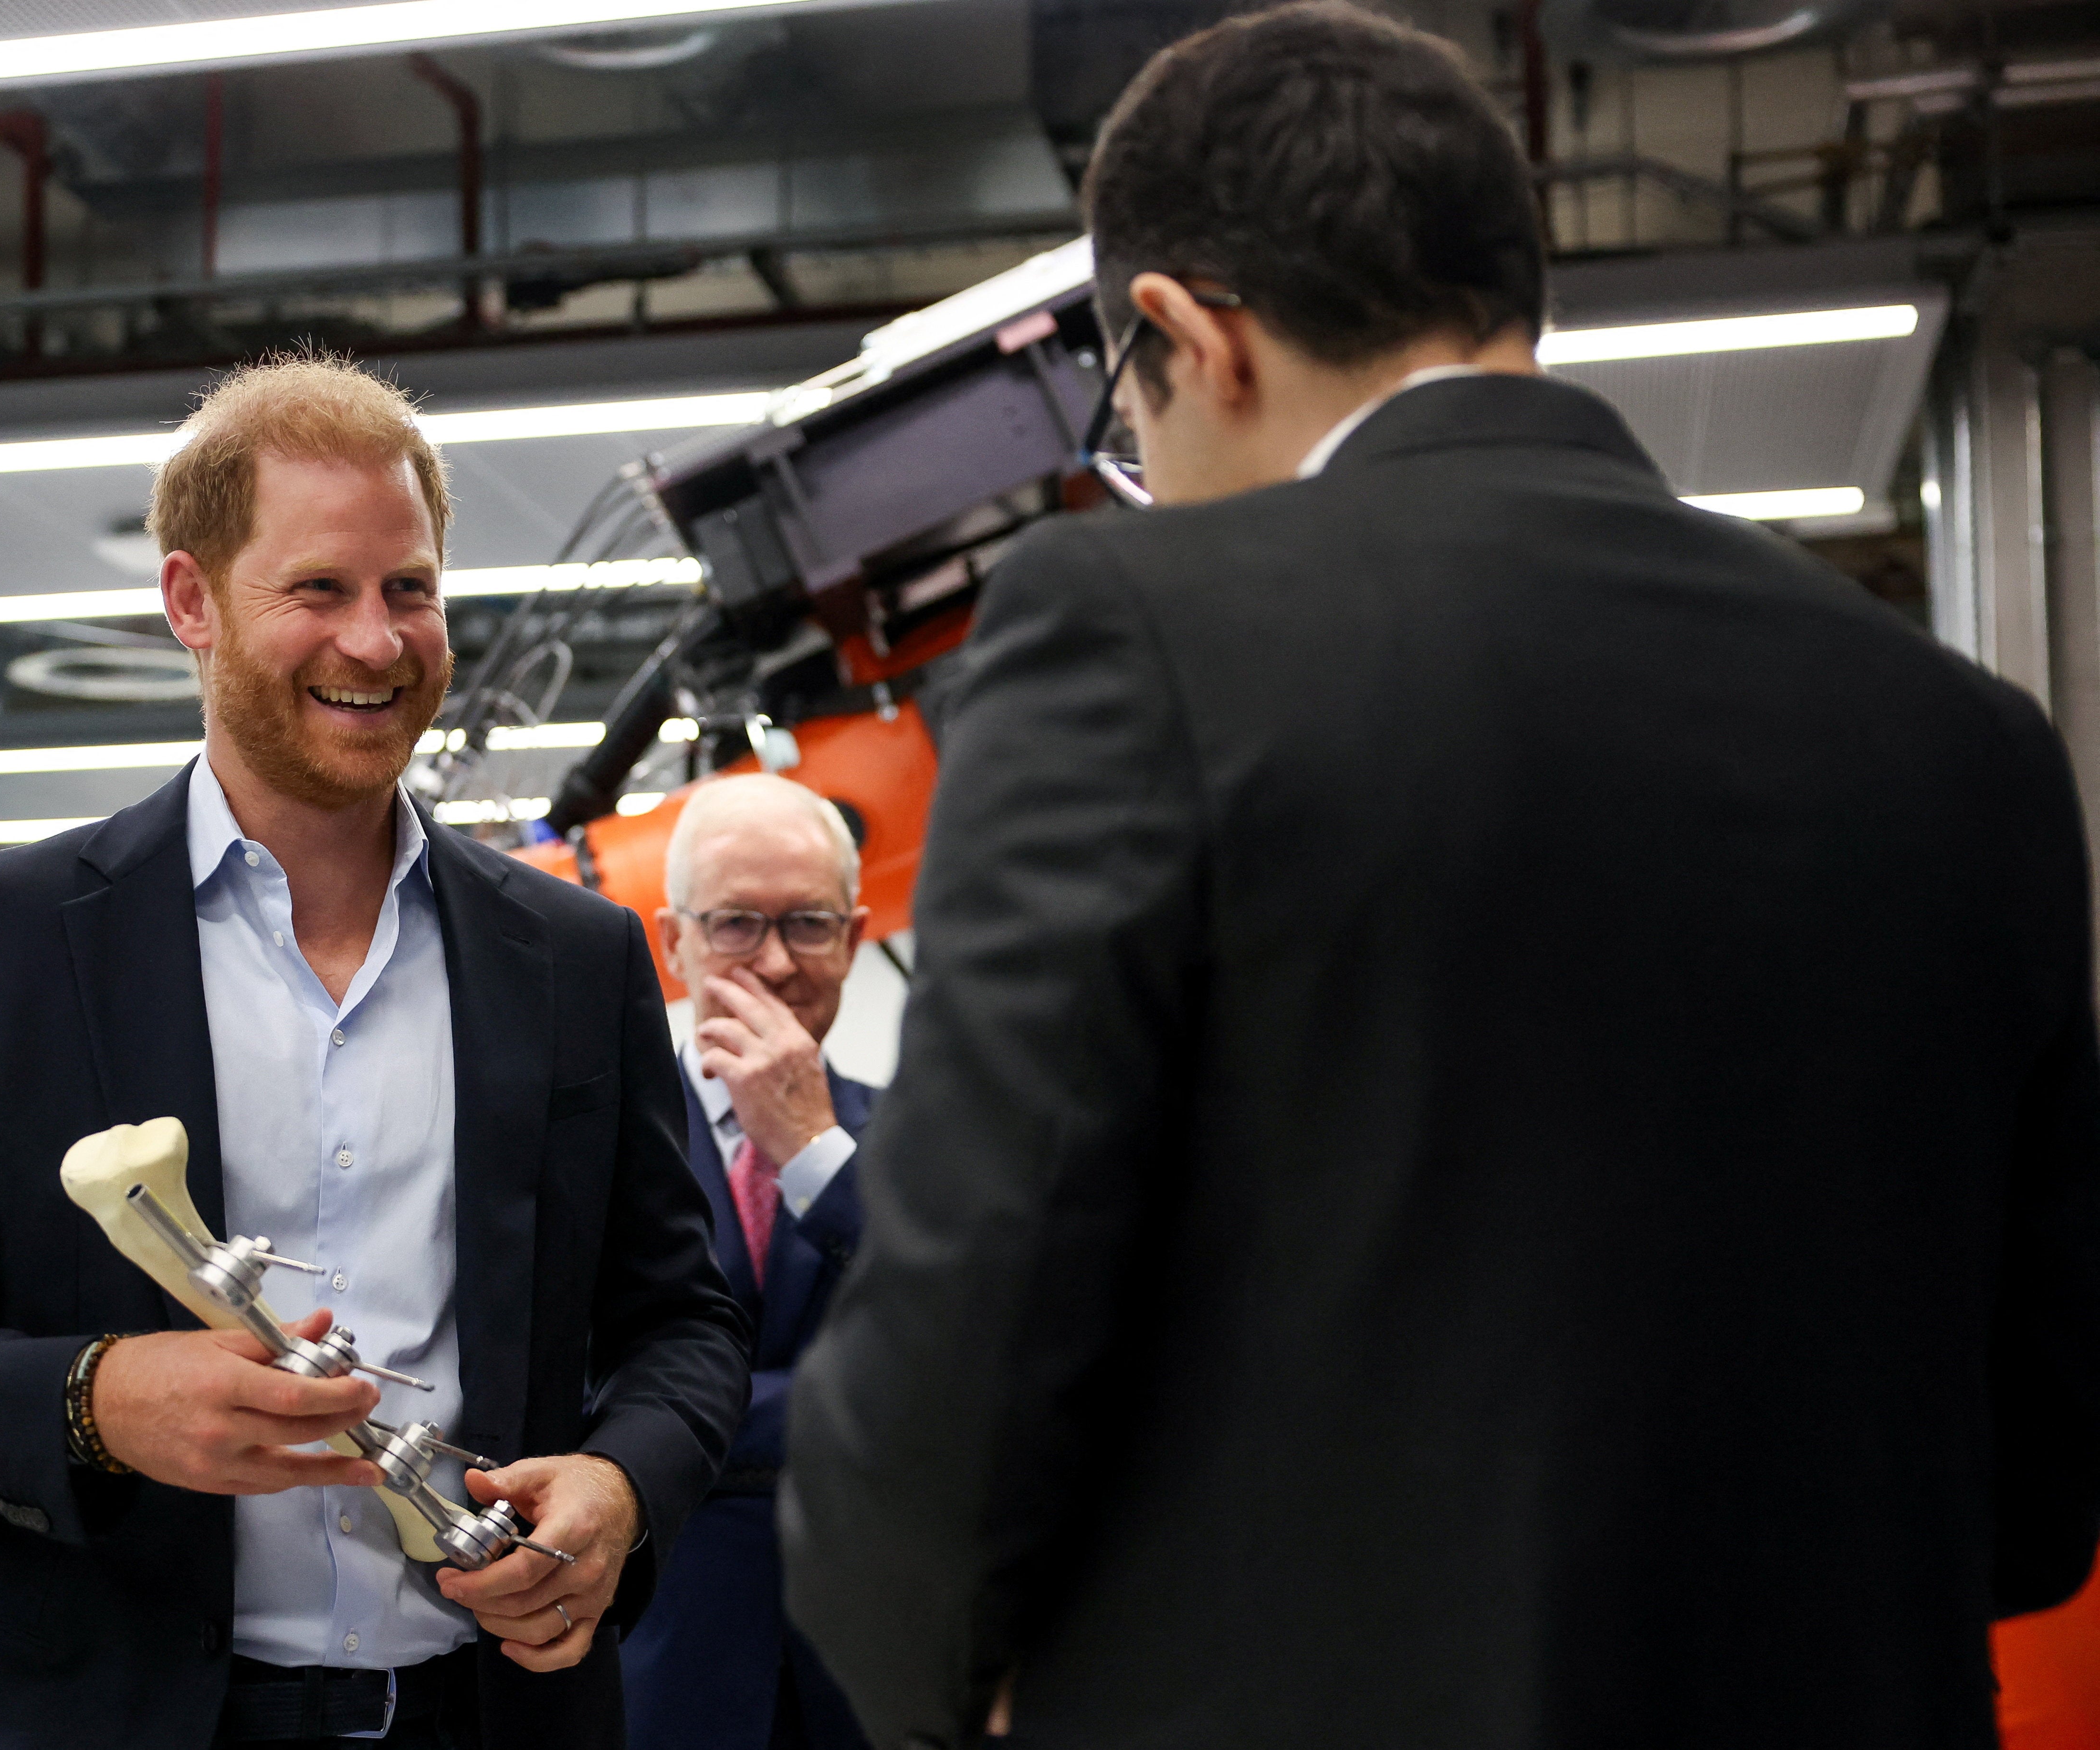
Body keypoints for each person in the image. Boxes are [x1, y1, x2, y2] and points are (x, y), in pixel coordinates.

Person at [778, 6, 2100, 1748]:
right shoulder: (1973, 741)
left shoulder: (1142, 635)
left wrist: (927, 1669)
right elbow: (2027, 1496)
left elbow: (968, 1333)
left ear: (1185, 334)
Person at [0, 355, 750, 1750]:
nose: (376, 641)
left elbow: (686, 1319)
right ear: (192, 602)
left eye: (408, 589)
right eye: (318, 590)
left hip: (481, 1716)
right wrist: (94, 1399)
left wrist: (621, 1485)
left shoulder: (577, 957)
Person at [621, 775, 880, 1750]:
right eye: (735, 923)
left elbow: (971, 1364)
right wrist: (861, 1408)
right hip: (660, 1667)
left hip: (874, 1674)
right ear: (673, 941)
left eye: (808, 923)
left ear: (855, 937)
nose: (773, 962)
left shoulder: (935, 1142)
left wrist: (813, 1146)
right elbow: (573, 1386)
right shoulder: (597, 1146)